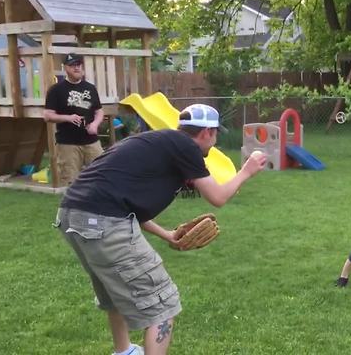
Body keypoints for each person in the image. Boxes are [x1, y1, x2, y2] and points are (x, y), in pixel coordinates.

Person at [52, 104, 266, 355]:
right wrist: (246, 171)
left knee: (115, 292)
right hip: (103, 220)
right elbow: (217, 197)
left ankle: (125, 352)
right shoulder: (186, 146)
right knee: (162, 305)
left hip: (73, 216)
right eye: (216, 134)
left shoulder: (159, 143)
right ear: (207, 132)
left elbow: (129, 209)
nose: (214, 141)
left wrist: (167, 234)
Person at [43, 53, 105, 186]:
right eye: (72, 65)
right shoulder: (56, 90)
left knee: (101, 176)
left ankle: (97, 205)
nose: (76, 68)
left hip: (91, 142)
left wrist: (95, 124)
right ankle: (71, 207)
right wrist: (68, 118)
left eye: (78, 65)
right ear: (65, 68)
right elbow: (47, 115)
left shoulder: (90, 88)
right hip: (68, 144)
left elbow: (99, 112)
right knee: (70, 182)